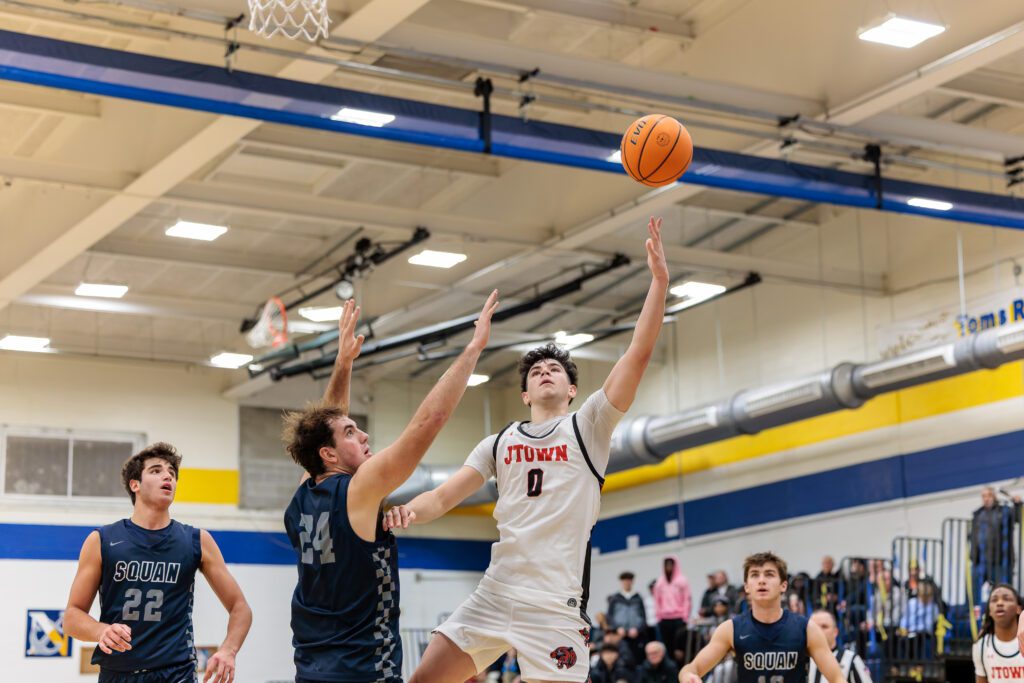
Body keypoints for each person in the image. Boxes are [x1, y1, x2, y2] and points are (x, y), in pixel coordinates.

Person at [387, 217, 670, 683]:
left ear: (573, 389)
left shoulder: (589, 425)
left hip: (554, 603)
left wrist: (658, 282)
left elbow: (637, 352)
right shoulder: (499, 442)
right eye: (535, 369)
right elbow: (441, 497)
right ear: (523, 394)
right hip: (496, 591)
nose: (544, 371)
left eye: (554, 369)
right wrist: (407, 512)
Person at [283, 293, 499, 683]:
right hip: (363, 671)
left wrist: (344, 362)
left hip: (311, 669)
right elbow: (427, 422)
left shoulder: (303, 495)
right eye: (352, 432)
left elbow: (325, 427)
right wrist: (473, 349)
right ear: (330, 455)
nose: (364, 435)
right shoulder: (358, 489)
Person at [65, 443, 252, 683]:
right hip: (118, 674)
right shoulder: (102, 540)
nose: (167, 476)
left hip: (176, 673)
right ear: (135, 485)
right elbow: (72, 617)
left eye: (172, 473)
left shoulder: (196, 540)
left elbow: (240, 608)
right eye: (156, 470)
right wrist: (101, 630)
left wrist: (228, 650)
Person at [678, 552, 845, 683]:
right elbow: (691, 669)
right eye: (755, 575)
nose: (762, 580)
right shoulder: (730, 629)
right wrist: (688, 677)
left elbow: (838, 679)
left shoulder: (806, 628)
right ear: (747, 587)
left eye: (769, 574)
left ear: (783, 585)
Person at [972, 487, 1022, 595]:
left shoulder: (1004, 511)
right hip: (980, 560)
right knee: (974, 589)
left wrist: (1017, 504)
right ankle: (971, 611)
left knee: (1003, 590)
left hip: (1000, 560)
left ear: (994, 496)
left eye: (989, 495)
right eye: (984, 496)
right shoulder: (978, 514)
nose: (986, 498)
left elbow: (1017, 518)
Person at [973, 584, 1024, 683]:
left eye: (1006, 599)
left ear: (1018, 609)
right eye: (994, 600)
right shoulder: (981, 646)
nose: (999, 603)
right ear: (990, 611)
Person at [807, 611, 873, 683]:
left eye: (824, 626)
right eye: (815, 627)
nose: (818, 630)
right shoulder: (803, 659)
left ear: (835, 632)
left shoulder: (851, 658)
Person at [653, 556, 692, 660]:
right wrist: (658, 616)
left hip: (679, 618)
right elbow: (657, 600)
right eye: (666, 565)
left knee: (680, 649)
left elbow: (687, 599)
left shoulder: (682, 581)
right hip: (664, 619)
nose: (668, 567)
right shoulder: (660, 583)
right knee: (668, 648)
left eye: (671, 565)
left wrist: (685, 616)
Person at [609, 571, 648, 661]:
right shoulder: (615, 598)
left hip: (635, 635)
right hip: (620, 635)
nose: (627, 582)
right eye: (624, 580)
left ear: (632, 581)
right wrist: (617, 628)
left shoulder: (638, 598)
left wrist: (637, 629)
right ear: (621, 582)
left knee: (637, 658)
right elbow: (610, 617)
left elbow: (643, 617)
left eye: (629, 580)